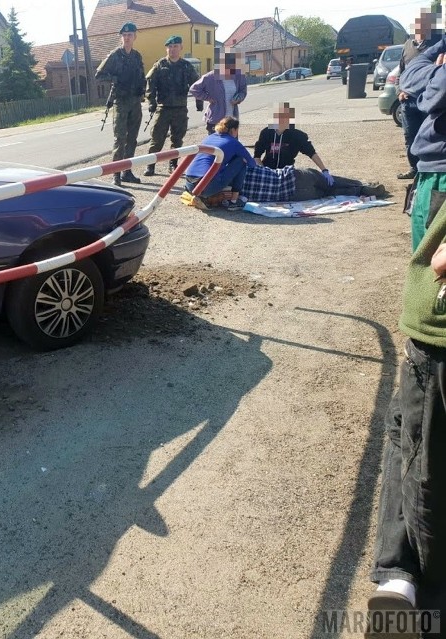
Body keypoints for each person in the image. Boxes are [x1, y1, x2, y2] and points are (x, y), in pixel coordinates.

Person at [366, 32, 446, 632]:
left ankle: (411, 579)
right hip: (431, 186)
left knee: (419, 440)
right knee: (408, 429)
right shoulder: (425, 62)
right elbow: (398, 103)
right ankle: (399, 570)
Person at [96, 22, 145, 186]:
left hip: (135, 102)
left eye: (130, 35)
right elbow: (99, 74)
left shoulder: (137, 56)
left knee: (132, 139)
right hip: (121, 102)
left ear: (135, 37)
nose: (127, 38)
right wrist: (115, 79)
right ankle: (116, 174)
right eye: (124, 35)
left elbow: (142, 76)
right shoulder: (115, 55)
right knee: (120, 139)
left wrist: (142, 90)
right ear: (121, 37)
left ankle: (127, 171)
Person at [142, 35, 199, 176]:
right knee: (157, 139)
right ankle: (150, 165)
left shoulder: (186, 66)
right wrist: (151, 102)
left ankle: (173, 165)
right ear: (166, 48)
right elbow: (150, 84)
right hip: (163, 108)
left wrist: (199, 101)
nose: (172, 50)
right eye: (170, 47)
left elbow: (196, 85)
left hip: (180, 108)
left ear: (181, 48)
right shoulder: (160, 65)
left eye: (175, 46)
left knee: (177, 139)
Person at [396, 8, 439, 180]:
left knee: (429, 136)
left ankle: (428, 169)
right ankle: (414, 168)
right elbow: (401, 71)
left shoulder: (435, 45)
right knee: (410, 136)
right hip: (407, 101)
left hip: (427, 99)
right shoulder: (408, 45)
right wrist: (400, 91)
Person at [183, 116, 254, 210]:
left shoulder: (209, 138)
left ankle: (203, 197)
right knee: (241, 161)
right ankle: (234, 201)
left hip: (189, 184)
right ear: (233, 130)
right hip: (205, 186)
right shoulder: (234, 142)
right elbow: (252, 164)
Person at [253, 102, 333, 183]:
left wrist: (324, 170)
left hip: (286, 173)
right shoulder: (266, 132)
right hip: (267, 170)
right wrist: (264, 173)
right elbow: (257, 157)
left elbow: (312, 153)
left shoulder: (297, 135)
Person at [241, 163, 387, 202]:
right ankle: (365, 185)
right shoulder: (243, 166)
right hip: (294, 177)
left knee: (328, 193)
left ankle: (359, 191)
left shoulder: (235, 192)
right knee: (331, 181)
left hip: (294, 196)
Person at [189, 50, 248, 133]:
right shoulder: (210, 77)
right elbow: (194, 89)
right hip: (216, 120)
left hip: (232, 120)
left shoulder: (239, 76)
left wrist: (239, 98)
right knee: (215, 144)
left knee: (231, 144)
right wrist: (208, 97)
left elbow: (243, 91)